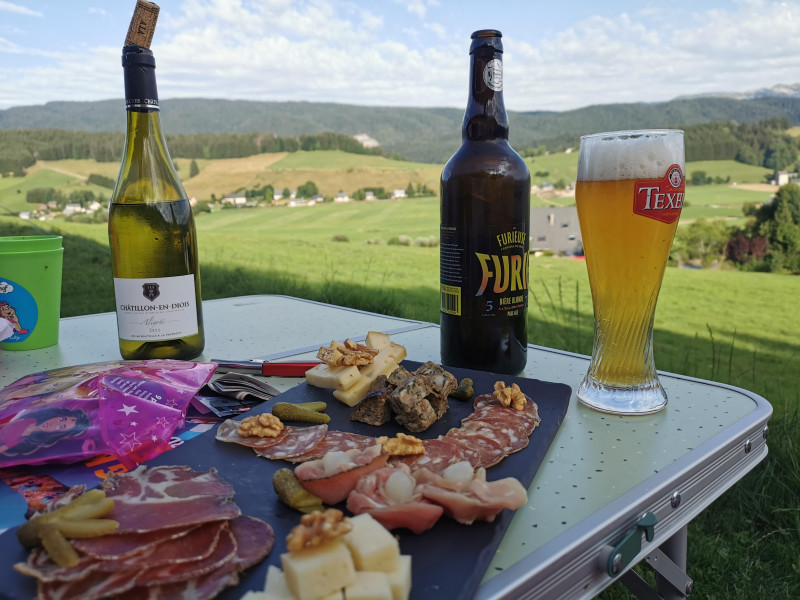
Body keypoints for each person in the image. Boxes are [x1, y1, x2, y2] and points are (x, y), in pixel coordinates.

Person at [0, 407, 92, 457]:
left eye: (60, 427)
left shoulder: (28, 442)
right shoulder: (29, 419)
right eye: (60, 419)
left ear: (58, 433)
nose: (53, 424)